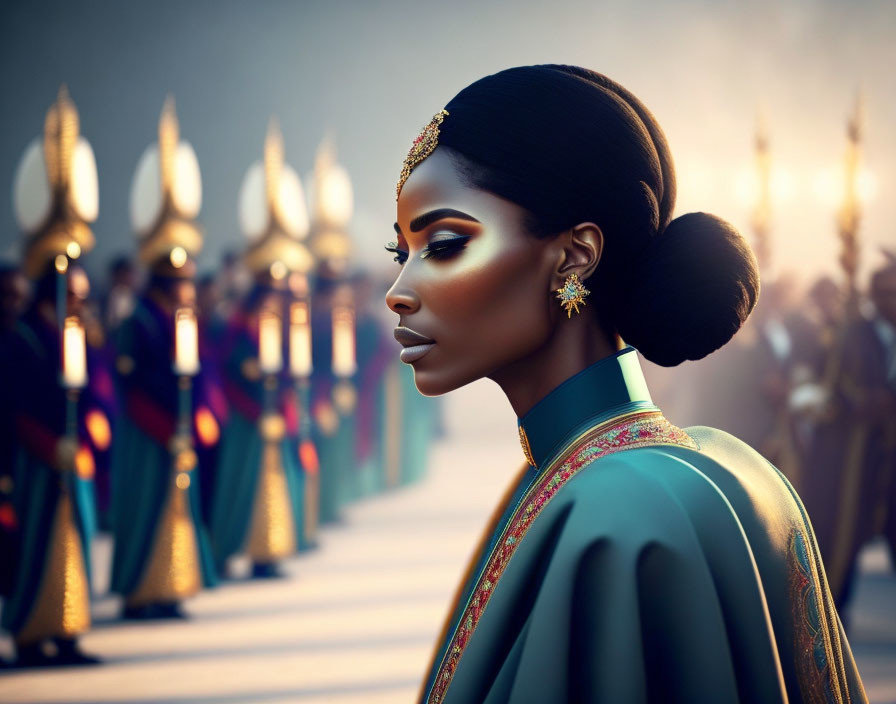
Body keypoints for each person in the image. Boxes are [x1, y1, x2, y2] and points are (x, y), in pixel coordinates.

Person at [387, 65, 866, 703]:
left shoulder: (615, 507)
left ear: (575, 255)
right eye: (403, 254)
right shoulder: (720, 469)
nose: (398, 293)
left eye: (444, 244)